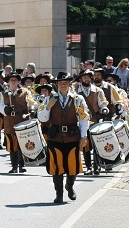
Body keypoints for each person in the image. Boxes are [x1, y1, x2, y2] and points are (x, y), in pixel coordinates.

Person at [38, 72, 90, 204]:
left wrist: (83, 136)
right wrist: (48, 107)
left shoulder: (78, 99)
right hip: (54, 137)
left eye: (65, 82)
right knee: (56, 166)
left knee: (72, 166)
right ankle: (59, 194)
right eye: (60, 82)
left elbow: (84, 119)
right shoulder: (48, 99)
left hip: (72, 137)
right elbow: (42, 118)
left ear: (69, 84)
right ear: (56, 84)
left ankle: (70, 186)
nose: (63, 85)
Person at [0, 72, 35, 173]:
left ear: (18, 82)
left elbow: (31, 102)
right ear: (8, 82)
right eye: (11, 80)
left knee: (22, 145)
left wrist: (31, 109)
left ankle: (21, 165)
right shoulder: (3, 94)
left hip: (22, 121)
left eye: (15, 80)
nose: (13, 82)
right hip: (9, 123)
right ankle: (14, 166)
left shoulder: (25, 92)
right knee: (12, 146)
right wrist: (5, 109)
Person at [75, 69, 110, 175]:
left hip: (95, 120)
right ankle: (89, 167)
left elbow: (103, 103)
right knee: (85, 145)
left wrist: (104, 109)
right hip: (82, 121)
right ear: (80, 79)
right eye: (84, 77)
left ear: (90, 78)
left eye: (88, 76)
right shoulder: (75, 92)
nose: (86, 78)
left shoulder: (98, 91)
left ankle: (97, 166)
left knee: (96, 144)